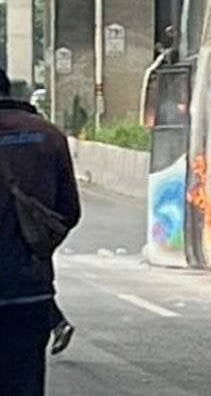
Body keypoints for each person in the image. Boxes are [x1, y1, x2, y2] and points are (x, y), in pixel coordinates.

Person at [0, 68, 81, 394]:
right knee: (24, 383)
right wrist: (34, 245)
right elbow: (69, 212)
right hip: (31, 290)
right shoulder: (49, 135)